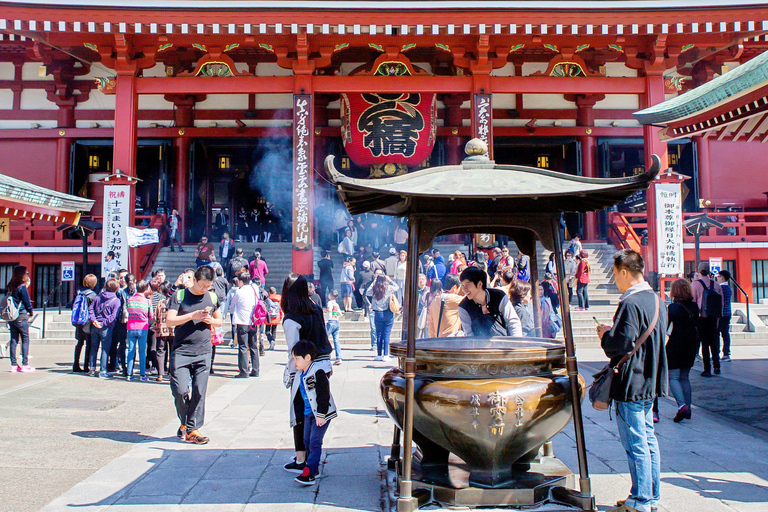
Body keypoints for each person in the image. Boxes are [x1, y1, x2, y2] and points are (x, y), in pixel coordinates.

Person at [596, 249, 667, 512]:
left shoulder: (631, 303)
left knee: (636, 443)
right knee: (648, 441)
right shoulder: (657, 300)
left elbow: (621, 344)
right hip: (650, 379)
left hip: (632, 382)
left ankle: (641, 501)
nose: (615, 280)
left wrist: (605, 335)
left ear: (625, 272)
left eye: (615, 274)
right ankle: (650, 495)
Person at [281, 274, 333, 475]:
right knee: (315, 410)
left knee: (300, 412)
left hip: (303, 370)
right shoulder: (316, 308)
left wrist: (292, 372)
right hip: (322, 365)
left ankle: (302, 458)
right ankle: (309, 457)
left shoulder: (292, 317)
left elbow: (293, 350)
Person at [166, 265, 223, 445]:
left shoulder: (212, 296)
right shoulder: (180, 296)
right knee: (180, 390)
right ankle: (186, 423)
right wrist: (192, 315)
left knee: (199, 390)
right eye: (202, 285)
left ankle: (193, 429)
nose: (205, 289)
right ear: (195, 280)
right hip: (182, 349)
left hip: (203, 350)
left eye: (208, 286)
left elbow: (220, 321)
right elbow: (170, 321)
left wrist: (209, 320)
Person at [290, 340, 338, 486]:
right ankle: (313, 466)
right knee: (306, 440)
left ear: (308, 357)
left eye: (297, 359)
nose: (295, 362)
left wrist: (321, 414)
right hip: (308, 413)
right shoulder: (301, 373)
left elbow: (323, 394)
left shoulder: (317, 372)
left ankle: (310, 471)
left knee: (315, 441)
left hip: (321, 414)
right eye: (293, 359)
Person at [666, 278, 699, 423]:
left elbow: (665, 327)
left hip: (675, 344)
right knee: (685, 377)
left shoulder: (673, 308)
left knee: (673, 377)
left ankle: (682, 406)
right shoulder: (694, 307)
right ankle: (689, 408)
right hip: (691, 345)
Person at [458, 267, 522, 337]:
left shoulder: (499, 296)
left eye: (467, 284)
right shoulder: (463, 307)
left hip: (505, 343)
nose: (464, 289)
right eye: (462, 285)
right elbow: (469, 334)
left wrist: (516, 344)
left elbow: (513, 322)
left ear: (479, 284)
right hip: (479, 346)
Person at [691, 262, 723, 377]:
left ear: (699, 271)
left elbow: (693, 303)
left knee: (704, 344)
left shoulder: (695, 285)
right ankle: (717, 366)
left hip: (702, 318)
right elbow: (722, 303)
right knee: (714, 343)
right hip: (714, 318)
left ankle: (707, 369)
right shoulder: (716, 285)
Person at [88, 278, 122, 378]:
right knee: (105, 349)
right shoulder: (116, 301)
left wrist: (93, 320)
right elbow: (113, 317)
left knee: (94, 348)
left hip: (95, 326)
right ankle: (103, 371)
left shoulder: (98, 297)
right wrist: (103, 324)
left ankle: (92, 369)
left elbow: (90, 309)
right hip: (106, 328)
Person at [229, 271, 259, 378]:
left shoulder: (239, 292)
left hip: (242, 321)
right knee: (254, 346)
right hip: (253, 321)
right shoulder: (254, 290)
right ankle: (256, 369)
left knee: (243, 346)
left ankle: (244, 371)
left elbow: (232, 305)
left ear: (240, 281)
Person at [5, 266, 34, 372]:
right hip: (21, 315)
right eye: (26, 272)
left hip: (11, 316)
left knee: (13, 340)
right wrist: (30, 312)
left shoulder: (10, 286)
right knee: (25, 339)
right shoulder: (22, 287)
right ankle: (25, 364)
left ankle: (13, 365)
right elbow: (27, 302)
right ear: (23, 274)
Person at [125, 279, 153, 382]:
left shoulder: (130, 299)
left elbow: (127, 311)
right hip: (143, 328)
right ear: (146, 289)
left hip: (131, 327)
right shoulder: (148, 302)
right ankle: (142, 375)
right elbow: (151, 316)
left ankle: (129, 374)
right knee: (142, 352)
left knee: (130, 351)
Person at [368, 275, 399, 361]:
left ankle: (378, 354)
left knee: (379, 334)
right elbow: (397, 287)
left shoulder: (374, 289)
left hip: (378, 313)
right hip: (388, 312)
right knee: (386, 334)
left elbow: (366, 292)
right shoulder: (388, 288)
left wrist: (373, 283)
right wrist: (390, 281)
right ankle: (385, 355)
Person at [73, 274, 98, 373]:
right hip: (88, 322)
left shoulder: (79, 293)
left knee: (79, 343)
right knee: (89, 344)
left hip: (79, 321)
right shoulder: (93, 295)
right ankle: (86, 366)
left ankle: (76, 364)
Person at [153, 282, 174, 382]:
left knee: (160, 351)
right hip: (173, 330)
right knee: (173, 351)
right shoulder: (175, 302)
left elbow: (155, 316)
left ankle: (160, 374)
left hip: (162, 330)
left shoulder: (160, 303)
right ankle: (171, 373)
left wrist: (155, 328)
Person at [717, 270, 733, 362]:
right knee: (725, 334)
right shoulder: (728, 288)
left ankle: (717, 352)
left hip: (721, 314)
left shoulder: (720, 288)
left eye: (719, 276)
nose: (717, 278)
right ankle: (726, 353)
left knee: (717, 333)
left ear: (722, 277)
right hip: (728, 313)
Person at [325, 289, 343, 365]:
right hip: (336, 322)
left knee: (325, 339)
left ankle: (326, 356)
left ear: (331, 295)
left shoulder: (329, 302)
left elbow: (329, 309)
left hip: (330, 322)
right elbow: (340, 314)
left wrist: (324, 310)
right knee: (336, 341)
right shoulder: (336, 304)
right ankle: (339, 357)